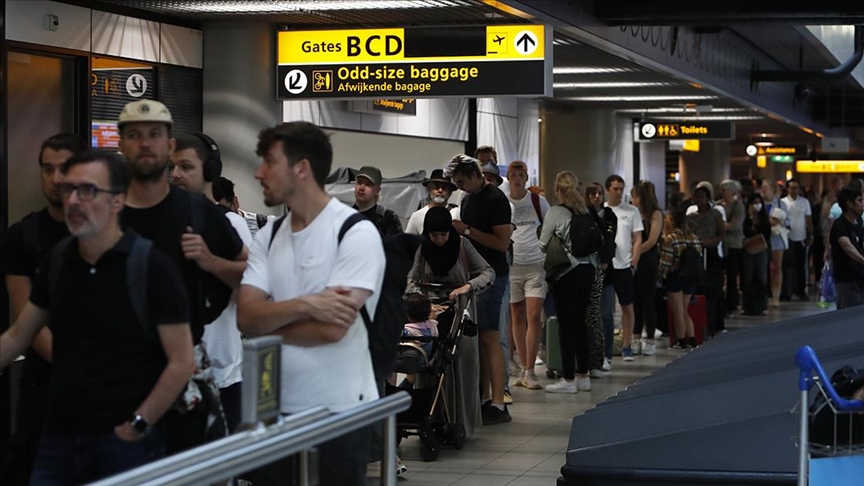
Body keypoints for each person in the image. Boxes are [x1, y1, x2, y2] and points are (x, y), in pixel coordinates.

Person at [0, 150, 194, 484]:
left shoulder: (150, 265)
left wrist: (139, 423)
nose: (73, 201)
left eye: (88, 191)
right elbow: (19, 334)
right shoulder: (59, 261)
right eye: (69, 190)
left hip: (124, 441)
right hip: (59, 434)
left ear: (118, 201)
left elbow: (182, 360)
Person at [237, 121, 384, 486]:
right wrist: (306, 304)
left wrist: (270, 321)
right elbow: (246, 317)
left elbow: (332, 329)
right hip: (275, 411)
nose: (259, 172)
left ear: (301, 168)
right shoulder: (270, 235)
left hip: (338, 412)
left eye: (269, 162)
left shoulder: (354, 233)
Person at [117, 99, 247, 453]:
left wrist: (209, 261)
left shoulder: (205, 214)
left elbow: (249, 276)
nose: (176, 173)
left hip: (202, 366)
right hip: (125, 371)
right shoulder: (108, 210)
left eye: (154, 135)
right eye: (135, 135)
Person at [0, 133, 86, 485]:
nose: (56, 179)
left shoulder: (115, 239)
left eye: (65, 169)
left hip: (108, 388)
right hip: (47, 383)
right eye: (47, 169)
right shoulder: (26, 237)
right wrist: (78, 368)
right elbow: (25, 327)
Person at [169, 136, 253, 433]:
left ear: (210, 171)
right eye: (172, 166)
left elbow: (249, 282)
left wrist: (209, 261)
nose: (176, 174)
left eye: (186, 166)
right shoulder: (163, 219)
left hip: (219, 365)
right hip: (169, 368)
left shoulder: (229, 223)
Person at [405, 205, 495, 437]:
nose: (439, 240)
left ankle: (459, 421)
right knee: (429, 362)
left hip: (459, 312)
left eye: (444, 234)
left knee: (460, 365)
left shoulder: (463, 246)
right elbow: (410, 280)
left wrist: (468, 286)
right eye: (434, 235)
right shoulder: (422, 249)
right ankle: (431, 416)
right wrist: (423, 303)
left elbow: (488, 273)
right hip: (430, 313)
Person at [445, 154, 513, 424]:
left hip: (494, 275)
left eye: (461, 181)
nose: (459, 186)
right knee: (478, 338)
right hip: (474, 276)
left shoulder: (496, 200)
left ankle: (498, 401)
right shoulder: (467, 199)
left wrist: (468, 231)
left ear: (474, 174)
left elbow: (501, 243)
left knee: (490, 338)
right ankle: (483, 397)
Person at [539, 171, 599, 393]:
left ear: (557, 190)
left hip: (567, 272)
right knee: (581, 323)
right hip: (588, 269)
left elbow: (543, 243)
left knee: (566, 326)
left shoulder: (556, 212)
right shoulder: (585, 210)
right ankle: (584, 375)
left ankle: (568, 379)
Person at [505, 161, 549, 390]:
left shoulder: (537, 201)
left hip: (535, 264)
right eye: (513, 174)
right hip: (513, 265)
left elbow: (550, 227)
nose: (517, 178)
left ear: (526, 177)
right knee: (516, 315)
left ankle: (530, 369)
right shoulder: (503, 200)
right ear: (508, 177)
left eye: (521, 174)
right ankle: (522, 367)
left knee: (533, 316)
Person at [600, 175, 642, 361]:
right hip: (607, 266)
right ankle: (604, 347)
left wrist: (634, 262)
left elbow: (637, 239)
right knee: (605, 310)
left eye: (621, 189)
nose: (618, 192)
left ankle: (627, 344)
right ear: (608, 190)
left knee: (627, 306)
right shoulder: (602, 211)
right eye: (615, 189)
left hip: (624, 264)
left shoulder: (631, 211)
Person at [658, 199, 702, 349]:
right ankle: (692, 339)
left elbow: (665, 263)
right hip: (690, 278)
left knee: (677, 311)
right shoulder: (694, 238)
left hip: (675, 277)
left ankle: (681, 341)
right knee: (684, 310)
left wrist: (660, 276)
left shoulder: (671, 239)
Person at [687, 185, 726, 335]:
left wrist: (710, 241)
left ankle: (717, 324)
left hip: (712, 254)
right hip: (696, 254)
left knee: (714, 291)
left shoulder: (715, 214)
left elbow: (722, 234)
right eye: (696, 197)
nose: (699, 200)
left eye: (702, 197)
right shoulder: (690, 217)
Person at [584, 183, 614, 375]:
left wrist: (605, 260)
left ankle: (606, 355)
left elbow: (610, 242)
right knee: (589, 316)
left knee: (605, 314)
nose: (596, 197)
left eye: (599, 193)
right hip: (586, 270)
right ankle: (590, 359)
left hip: (606, 272)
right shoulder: (582, 215)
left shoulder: (609, 216)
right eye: (592, 193)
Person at [630, 180, 663, 356]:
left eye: (634, 196)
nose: (632, 200)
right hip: (634, 260)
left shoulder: (655, 214)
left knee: (648, 300)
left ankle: (649, 338)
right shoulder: (633, 213)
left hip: (647, 260)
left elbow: (651, 240)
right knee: (635, 301)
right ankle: (635, 336)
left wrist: (634, 251)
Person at [829, 187, 864, 309]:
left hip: (859, 276)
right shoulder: (840, 225)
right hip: (846, 279)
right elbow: (846, 245)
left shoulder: (857, 222)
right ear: (849, 204)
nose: (862, 204)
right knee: (849, 313)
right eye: (859, 201)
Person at [780, 178, 813, 301]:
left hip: (801, 237)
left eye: (796, 188)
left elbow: (808, 219)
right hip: (787, 237)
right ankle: (786, 292)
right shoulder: (782, 202)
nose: (794, 190)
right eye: (791, 187)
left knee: (800, 265)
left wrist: (810, 234)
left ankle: (801, 290)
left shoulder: (804, 202)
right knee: (787, 266)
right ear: (787, 189)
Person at [741, 193, 771, 316]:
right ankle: (747, 305)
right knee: (747, 278)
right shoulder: (746, 219)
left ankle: (761, 305)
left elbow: (767, 233)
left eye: (758, 202)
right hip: (748, 250)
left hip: (761, 250)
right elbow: (745, 232)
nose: (756, 205)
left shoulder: (764, 218)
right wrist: (750, 217)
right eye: (754, 203)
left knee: (762, 277)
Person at [352, 165, 404, 237]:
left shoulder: (387, 217)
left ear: (377, 190)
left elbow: (398, 246)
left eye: (368, 184)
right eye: (359, 183)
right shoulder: (347, 215)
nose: (361, 188)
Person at [719, 180, 745, 314]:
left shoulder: (738, 206)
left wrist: (721, 225)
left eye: (725, 190)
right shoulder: (718, 205)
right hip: (721, 244)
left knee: (732, 275)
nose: (722, 192)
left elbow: (735, 225)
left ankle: (732, 302)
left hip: (734, 244)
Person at [405, 168, 458, 235]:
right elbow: (408, 242)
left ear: (450, 192)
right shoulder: (417, 216)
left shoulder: (458, 213)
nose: (440, 190)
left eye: (445, 187)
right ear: (429, 189)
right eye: (436, 186)